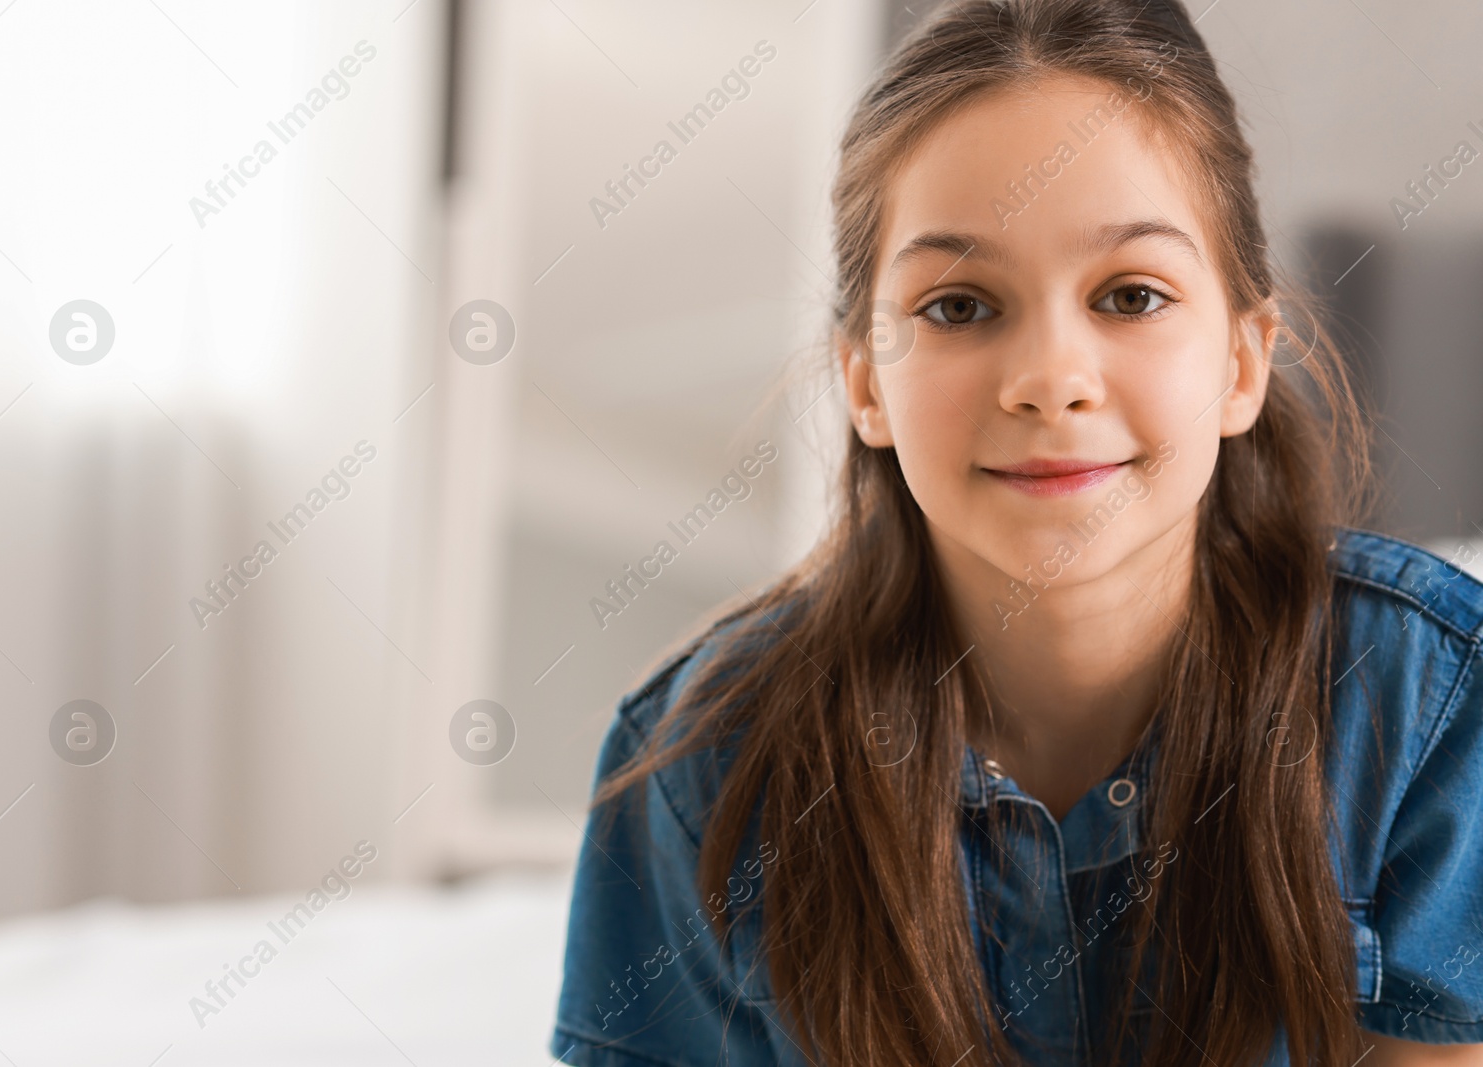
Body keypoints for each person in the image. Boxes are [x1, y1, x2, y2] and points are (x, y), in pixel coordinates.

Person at [549, 1, 1483, 1063]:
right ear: (862, 382)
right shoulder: (699, 764)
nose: (1049, 380)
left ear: (1241, 361)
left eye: (1130, 295)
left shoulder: (1433, 706)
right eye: (958, 306)